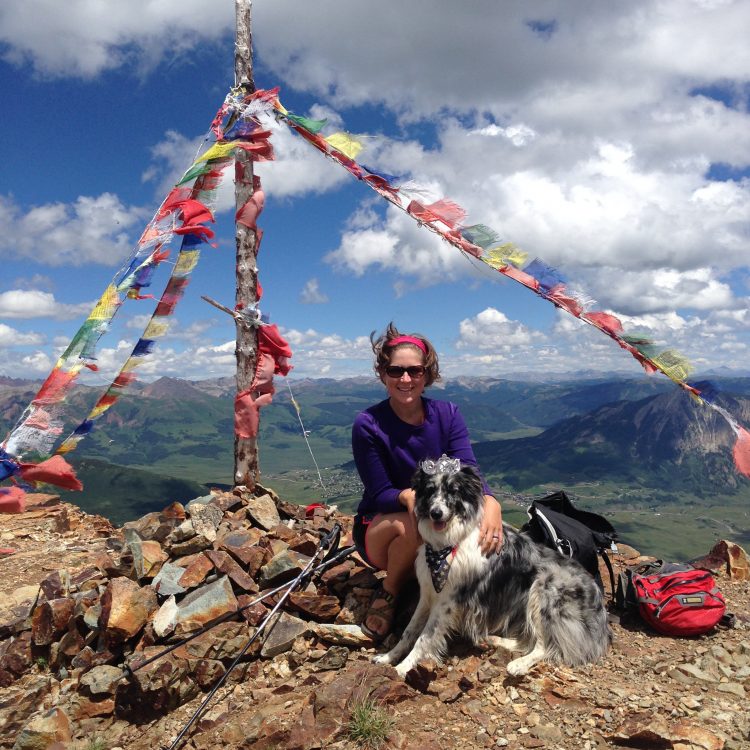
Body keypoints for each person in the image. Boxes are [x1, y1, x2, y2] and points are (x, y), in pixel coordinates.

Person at [351, 322, 503, 641]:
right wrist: (411, 498)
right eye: (395, 371)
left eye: (414, 371)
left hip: (433, 517)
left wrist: (491, 502)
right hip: (381, 526)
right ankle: (390, 590)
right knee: (416, 525)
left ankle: (466, 599)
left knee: (479, 532)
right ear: (382, 374)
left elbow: (468, 471)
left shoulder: (447, 414)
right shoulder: (368, 424)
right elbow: (379, 493)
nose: (405, 379)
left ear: (427, 375)